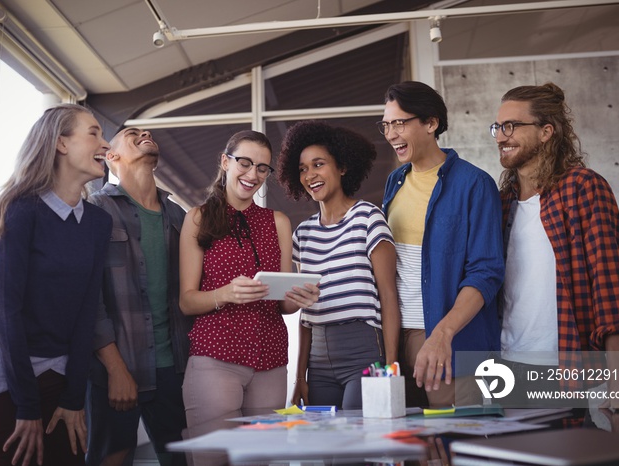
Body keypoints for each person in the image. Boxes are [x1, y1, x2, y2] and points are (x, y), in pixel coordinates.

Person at [0, 104, 112, 466]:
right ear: (61, 144)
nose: (105, 144)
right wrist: (26, 405)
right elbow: (7, 312)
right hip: (3, 380)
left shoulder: (98, 223)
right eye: (94, 133)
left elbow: (87, 311)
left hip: (59, 379)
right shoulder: (23, 209)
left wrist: (74, 398)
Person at [493, 82, 619, 409]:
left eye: (511, 126)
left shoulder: (582, 187)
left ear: (546, 131)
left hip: (558, 367)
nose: (500, 136)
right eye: (497, 127)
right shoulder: (502, 203)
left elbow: (607, 279)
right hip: (504, 363)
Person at [179, 130, 319, 429]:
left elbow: (283, 304)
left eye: (261, 168)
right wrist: (226, 293)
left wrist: (297, 299)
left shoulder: (278, 222)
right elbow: (187, 301)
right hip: (215, 355)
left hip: (270, 358)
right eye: (244, 162)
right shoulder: (197, 218)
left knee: (260, 458)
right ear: (225, 162)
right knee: (212, 459)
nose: (252, 174)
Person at [380, 81, 505, 407]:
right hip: (398, 335)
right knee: (410, 446)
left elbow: (486, 272)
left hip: (448, 339)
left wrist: (442, 334)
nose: (391, 133)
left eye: (399, 123)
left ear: (431, 123)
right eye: (386, 125)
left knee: (453, 441)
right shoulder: (395, 182)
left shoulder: (474, 184)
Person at [85, 128, 193, 466]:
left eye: (146, 132)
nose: (145, 133)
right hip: (115, 368)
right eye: (132, 134)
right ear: (111, 156)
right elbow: (89, 300)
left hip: (174, 370)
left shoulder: (180, 216)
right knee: (111, 458)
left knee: (180, 459)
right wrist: (116, 368)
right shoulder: (95, 210)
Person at [277, 121, 400, 409]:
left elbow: (388, 296)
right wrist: (300, 376)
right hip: (318, 361)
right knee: (330, 452)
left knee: (357, 450)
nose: (310, 175)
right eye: (303, 169)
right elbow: (306, 315)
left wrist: (391, 367)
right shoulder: (303, 234)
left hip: (363, 349)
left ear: (342, 167)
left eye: (318, 164)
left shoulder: (368, 218)